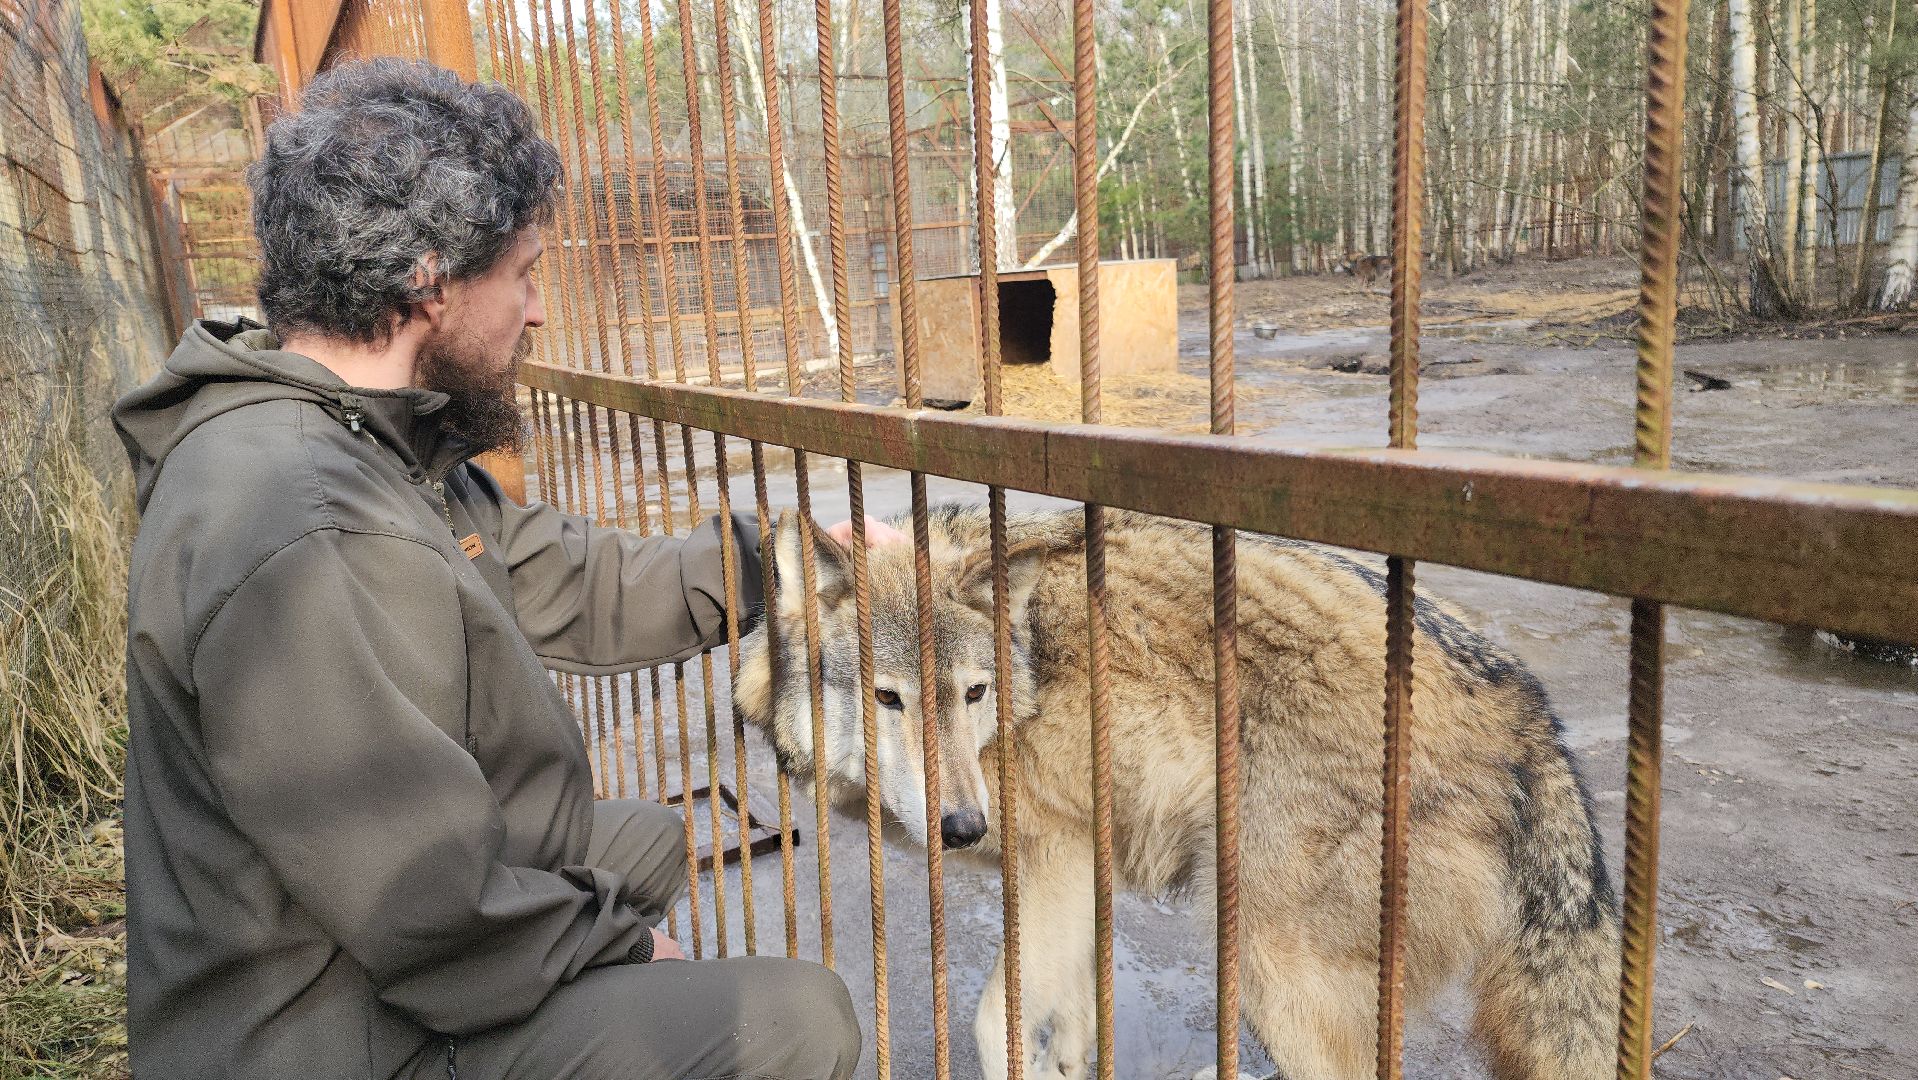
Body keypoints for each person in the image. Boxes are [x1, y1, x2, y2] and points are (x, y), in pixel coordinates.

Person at [111, 57, 870, 1080]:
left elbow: (579, 580)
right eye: (523, 272)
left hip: (343, 933)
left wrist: (793, 564)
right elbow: (418, 902)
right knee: (793, 1017)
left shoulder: (370, 441)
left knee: (638, 842)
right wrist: (623, 946)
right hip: (314, 1034)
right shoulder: (302, 521)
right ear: (430, 280)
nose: (538, 309)